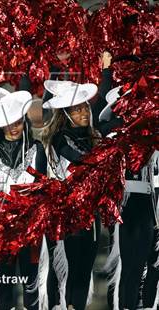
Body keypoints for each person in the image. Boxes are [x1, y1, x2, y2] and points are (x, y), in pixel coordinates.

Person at [42, 51, 114, 310]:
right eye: (77, 108)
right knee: (67, 270)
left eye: (84, 107)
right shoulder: (60, 138)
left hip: (90, 214)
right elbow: (80, 160)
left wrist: (107, 70)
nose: (84, 111)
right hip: (66, 215)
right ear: (66, 113)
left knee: (85, 268)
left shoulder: (92, 135)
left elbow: (103, 100)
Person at [0, 90, 47, 310]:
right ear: (1, 125)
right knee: (5, 283)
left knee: (30, 282)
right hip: (3, 229)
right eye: (8, 123)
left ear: (24, 122)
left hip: (30, 226)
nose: (13, 128)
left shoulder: (36, 149)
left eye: (17, 123)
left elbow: (40, 188)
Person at [100, 86, 157, 310]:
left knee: (143, 264)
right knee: (128, 266)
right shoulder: (114, 135)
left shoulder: (150, 136)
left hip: (148, 205)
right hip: (125, 206)